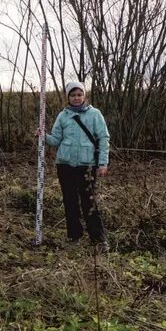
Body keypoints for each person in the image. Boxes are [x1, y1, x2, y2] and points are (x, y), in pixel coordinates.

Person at [37, 80, 110, 247]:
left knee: (89, 203)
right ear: (68, 97)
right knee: (70, 202)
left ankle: (99, 240)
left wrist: (103, 163)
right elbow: (56, 140)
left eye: (79, 94)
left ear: (84, 95)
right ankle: (74, 237)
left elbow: (104, 139)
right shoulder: (63, 116)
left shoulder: (95, 114)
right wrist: (43, 136)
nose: (76, 98)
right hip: (65, 166)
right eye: (73, 95)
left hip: (87, 166)